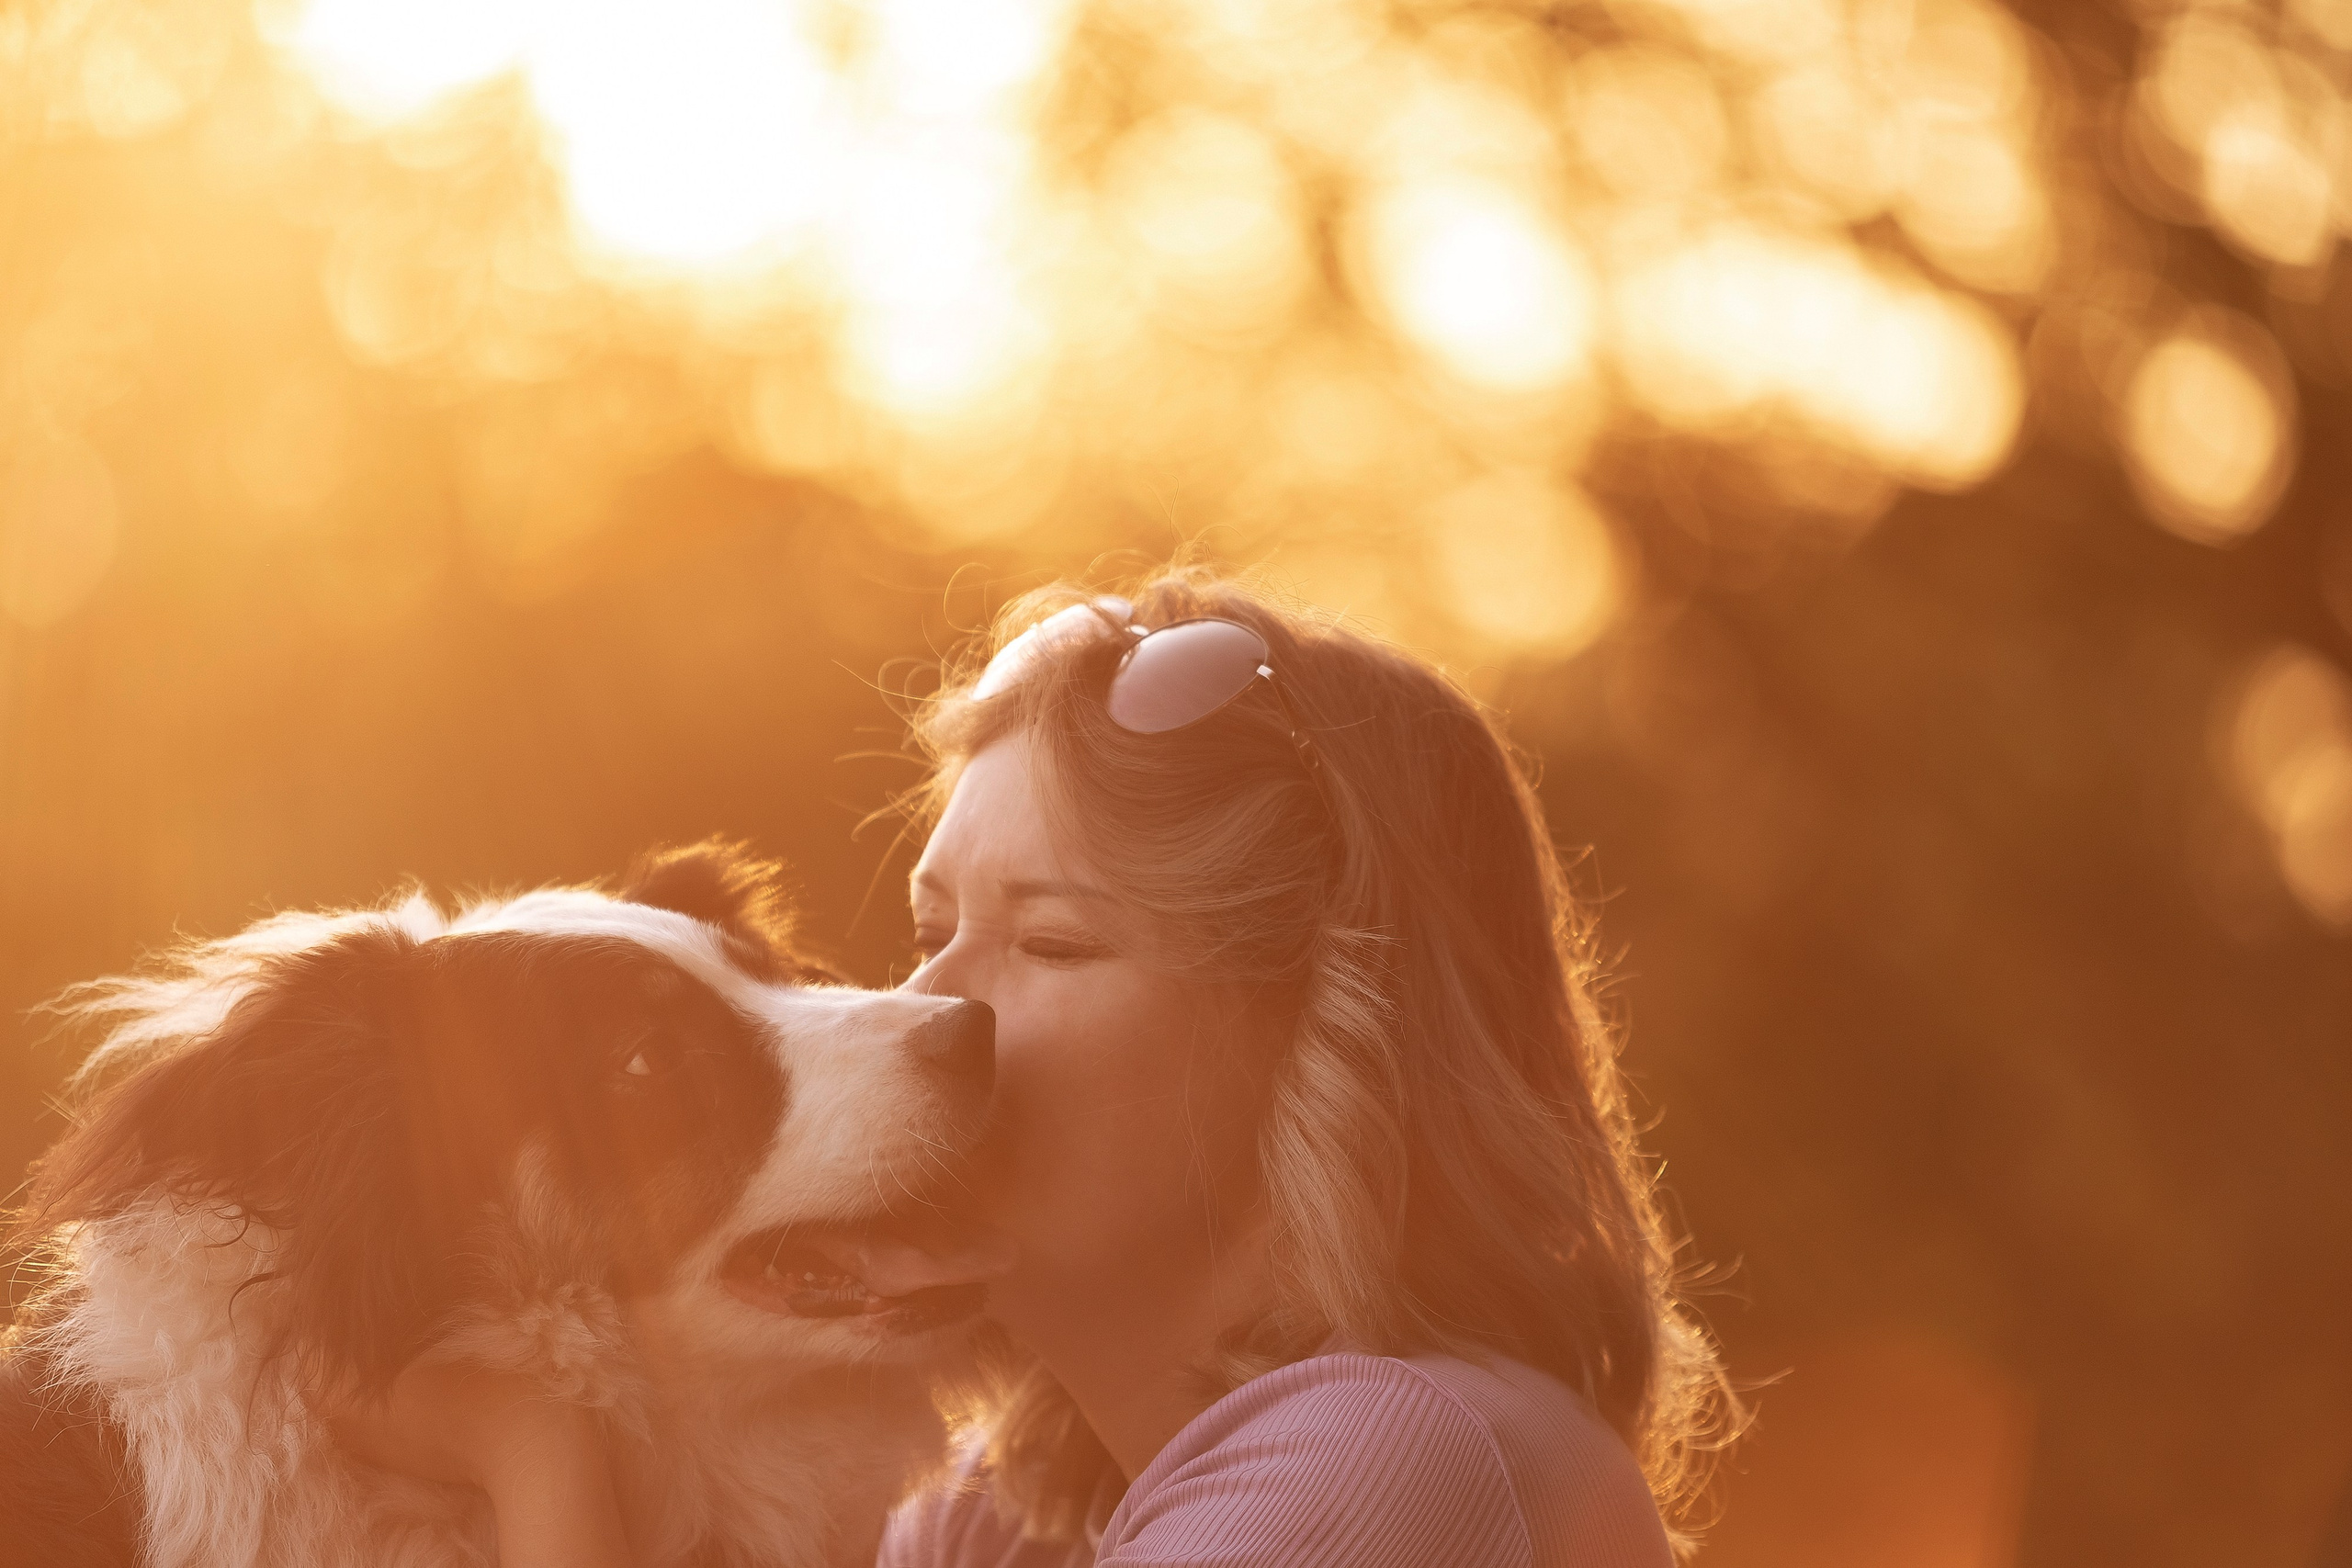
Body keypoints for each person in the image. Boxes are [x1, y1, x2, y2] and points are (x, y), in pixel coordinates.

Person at [340, 569, 1734, 1566]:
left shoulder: (1393, 1459)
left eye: (1054, 946)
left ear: (1330, 1040)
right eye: (931, 928)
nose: (926, 1009)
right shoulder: (1001, 1522)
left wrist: (538, 1453)